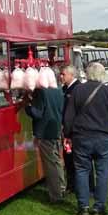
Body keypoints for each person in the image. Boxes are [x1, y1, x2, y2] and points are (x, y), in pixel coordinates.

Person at [63, 62, 108, 215]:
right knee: (103, 173)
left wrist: (68, 135)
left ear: (87, 74)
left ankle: (83, 206)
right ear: (101, 75)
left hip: (81, 137)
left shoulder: (77, 91)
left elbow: (68, 117)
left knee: (81, 171)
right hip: (104, 137)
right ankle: (99, 206)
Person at [24, 70, 65, 203]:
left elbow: (38, 113)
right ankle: (62, 186)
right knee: (57, 160)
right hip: (56, 128)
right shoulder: (59, 90)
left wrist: (28, 106)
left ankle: (55, 195)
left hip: (45, 132)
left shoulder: (40, 92)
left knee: (50, 164)